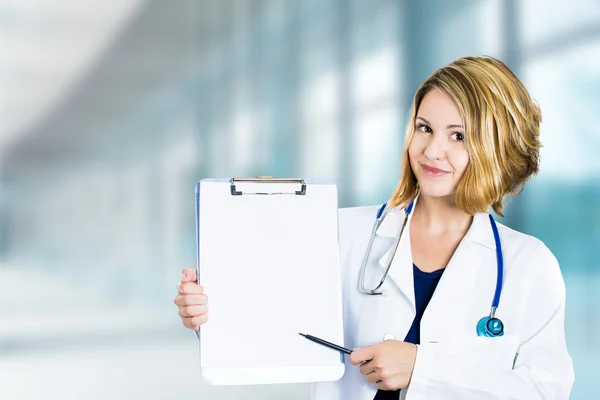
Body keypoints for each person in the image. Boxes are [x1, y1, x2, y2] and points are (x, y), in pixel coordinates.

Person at [174, 56, 574, 399]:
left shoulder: (529, 266)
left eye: (458, 136)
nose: (433, 151)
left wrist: (423, 368)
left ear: (497, 147)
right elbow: (271, 326)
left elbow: (546, 391)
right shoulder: (340, 233)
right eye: (424, 128)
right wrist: (212, 314)